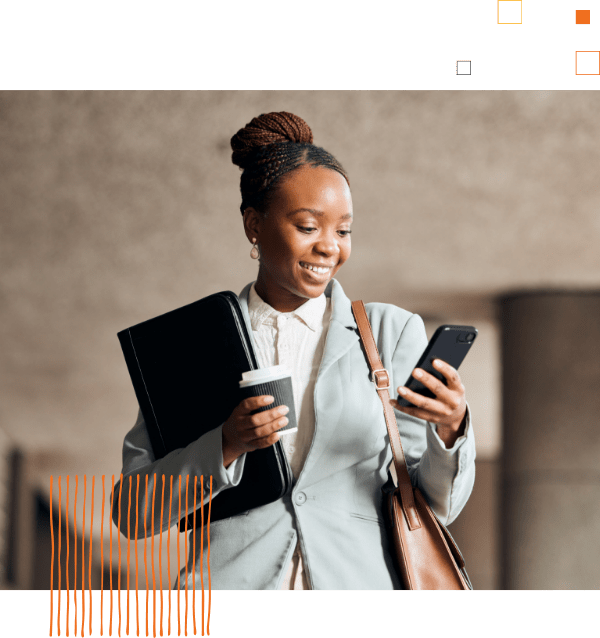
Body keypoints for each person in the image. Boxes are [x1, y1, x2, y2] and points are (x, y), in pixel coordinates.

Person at [112, 111, 476, 591]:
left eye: (343, 231)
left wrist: (450, 431)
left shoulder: (390, 332)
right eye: (308, 226)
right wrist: (226, 444)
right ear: (253, 226)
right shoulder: (191, 346)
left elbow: (438, 503)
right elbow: (133, 512)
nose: (330, 247)